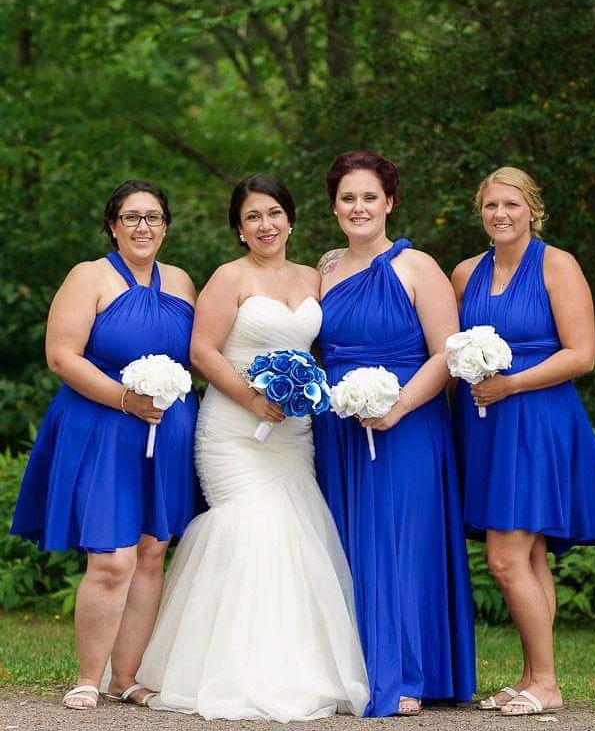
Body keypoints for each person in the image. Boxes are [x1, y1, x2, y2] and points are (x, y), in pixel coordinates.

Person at [136, 173, 369, 722]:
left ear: (290, 219)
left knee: (298, 533)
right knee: (253, 530)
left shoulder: (315, 275)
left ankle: (298, 670)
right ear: (240, 231)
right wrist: (253, 398)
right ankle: (227, 671)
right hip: (234, 431)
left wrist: (298, 393)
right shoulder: (228, 277)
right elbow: (202, 350)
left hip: (293, 431)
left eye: (273, 214)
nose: (265, 225)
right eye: (252, 218)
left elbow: (318, 345)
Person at [11, 180, 200, 710]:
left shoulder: (183, 282)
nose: (144, 227)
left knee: (150, 552)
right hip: (104, 425)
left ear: (166, 226)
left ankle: (127, 677)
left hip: (166, 431)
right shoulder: (88, 277)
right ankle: (88, 677)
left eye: (154, 217)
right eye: (132, 217)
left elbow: (202, 352)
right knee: (111, 557)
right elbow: (61, 356)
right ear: (113, 224)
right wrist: (124, 400)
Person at [451, 166, 595, 716]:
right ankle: (532, 677)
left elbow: (582, 354)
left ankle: (547, 682)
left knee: (506, 560)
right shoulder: (464, 273)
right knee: (528, 556)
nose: (500, 215)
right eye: (490, 206)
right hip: (487, 424)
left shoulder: (558, 265)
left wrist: (512, 384)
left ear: (532, 209)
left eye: (511, 204)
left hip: (539, 419)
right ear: (480, 213)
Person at [312, 150, 476, 718]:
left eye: (369, 197)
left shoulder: (418, 266)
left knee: (401, 542)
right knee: (347, 542)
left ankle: (408, 671)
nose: (359, 207)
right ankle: (354, 670)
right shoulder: (326, 268)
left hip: (406, 423)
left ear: (390, 202)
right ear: (334, 206)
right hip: (339, 427)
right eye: (347, 198)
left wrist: (397, 407)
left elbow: (447, 354)